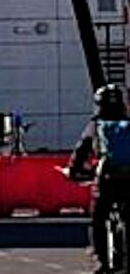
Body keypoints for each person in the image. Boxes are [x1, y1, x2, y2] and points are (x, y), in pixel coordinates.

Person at [67, 84, 130, 274]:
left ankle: (101, 259)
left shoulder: (96, 125)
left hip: (107, 177)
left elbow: (81, 151)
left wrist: (74, 171)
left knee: (98, 217)